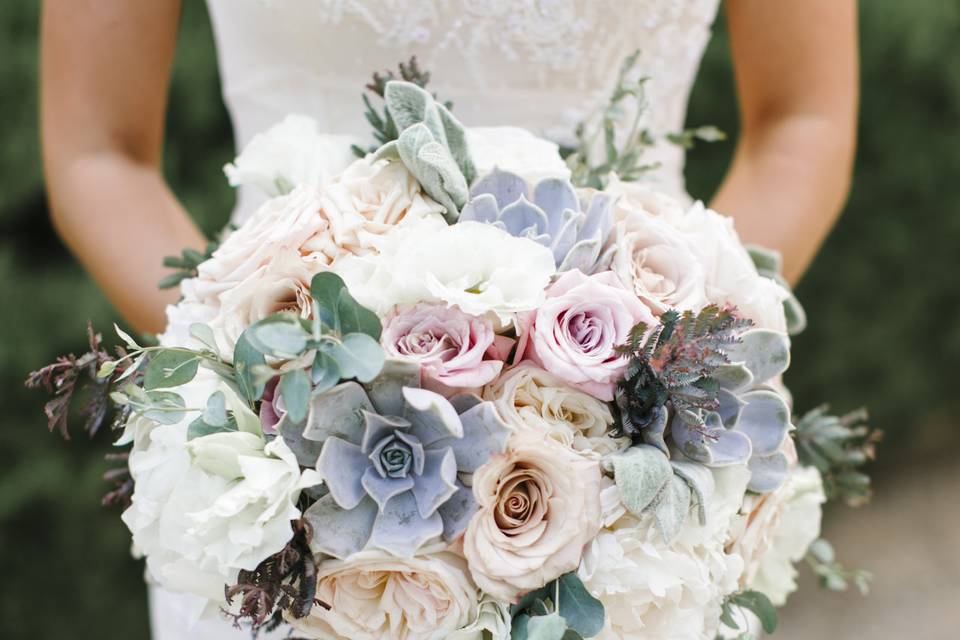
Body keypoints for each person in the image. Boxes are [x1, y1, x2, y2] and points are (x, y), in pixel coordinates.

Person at [39, 1, 858, 638]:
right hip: (284, 499)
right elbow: (98, 152)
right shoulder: (274, 439)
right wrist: (263, 391)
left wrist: (660, 375)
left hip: (638, 512)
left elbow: (801, 120)